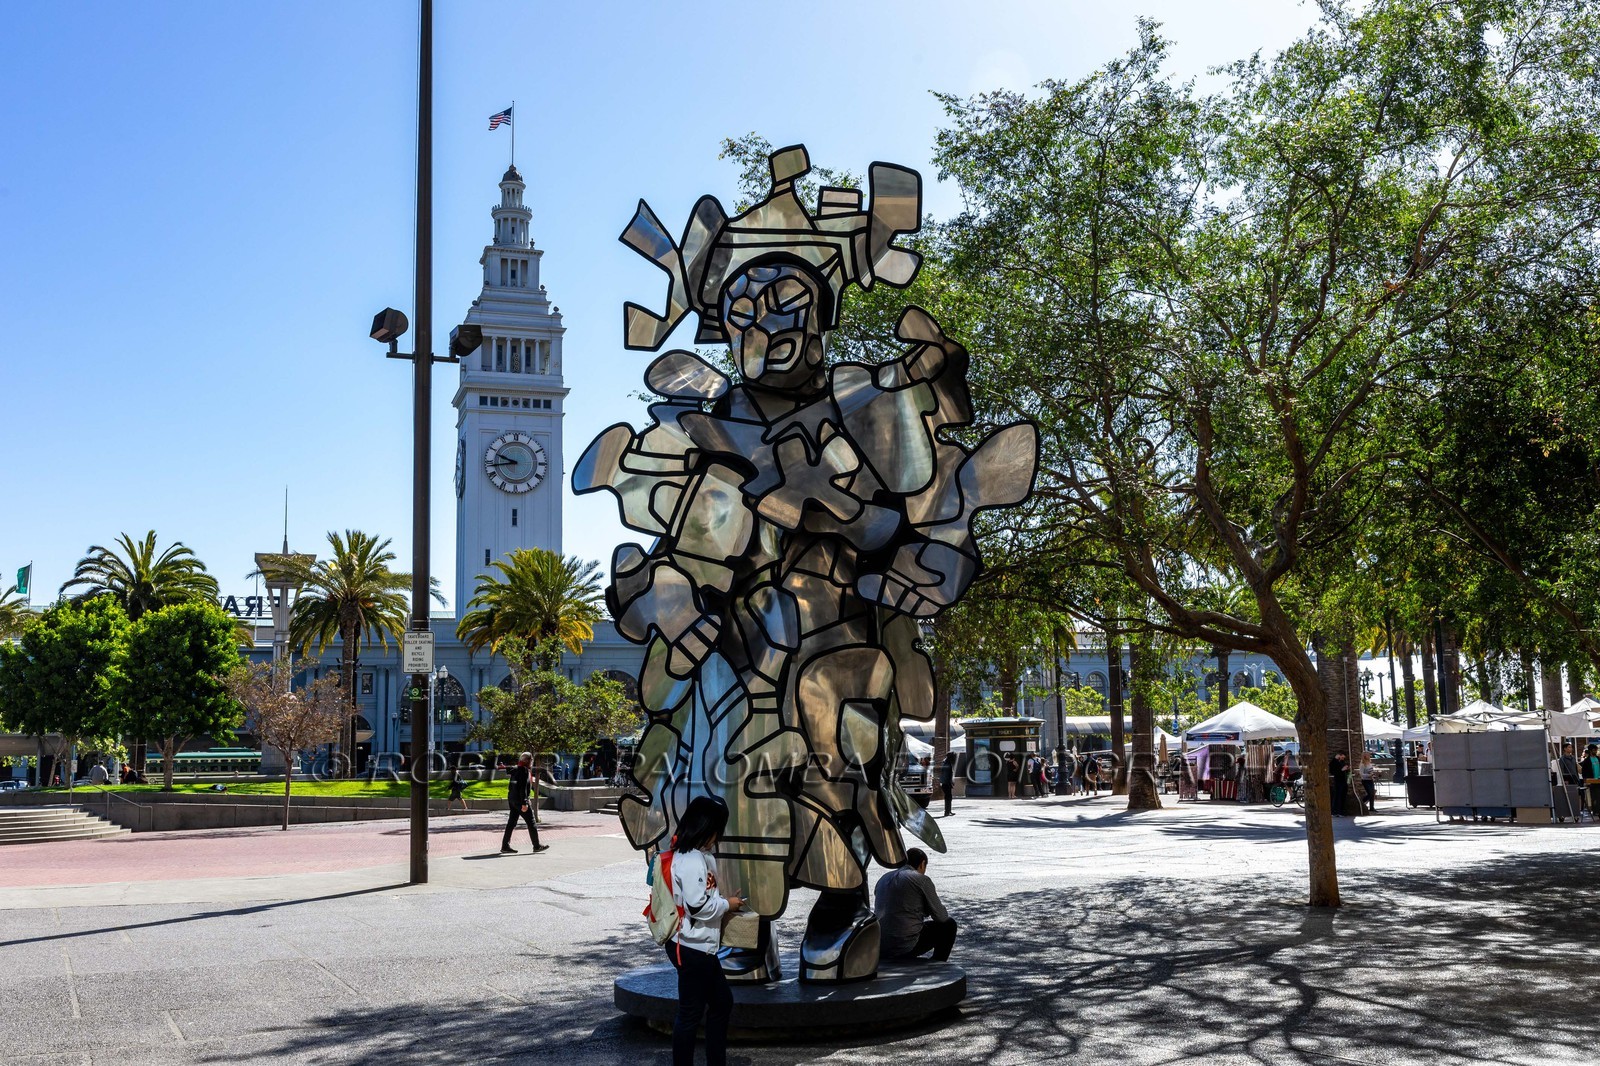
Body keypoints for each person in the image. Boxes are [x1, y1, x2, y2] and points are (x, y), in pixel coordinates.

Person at [666, 795, 743, 1066]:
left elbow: (702, 898)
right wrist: (726, 904)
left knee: (720, 1003)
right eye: (717, 830)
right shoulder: (692, 859)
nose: (717, 837)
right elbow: (698, 906)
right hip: (692, 946)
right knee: (692, 1013)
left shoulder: (693, 855)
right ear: (707, 828)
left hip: (694, 945)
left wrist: (724, 903)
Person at [873, 846, 956, 962]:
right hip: (905, 946)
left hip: (881, 945)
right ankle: (938, 962)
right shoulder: (921, 879)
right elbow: (941, 916)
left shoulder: (883, 878)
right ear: (922, 864)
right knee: (949, 925)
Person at [501, 753, 548, 854]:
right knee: (531, 822)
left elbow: (512, 786)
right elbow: (523, 788)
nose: (532, 762)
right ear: (527, 760)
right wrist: (525, 802)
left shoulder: (516, 769)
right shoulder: (524, 771)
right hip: (520, 801)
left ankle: (505, 846)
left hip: (512, 799)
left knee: (511, 823)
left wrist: (514, 799)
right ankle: (536, 846)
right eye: (531, 760)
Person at [1582, 744, 1600, 817]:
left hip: (1599, 780)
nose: (1595, 751)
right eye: (1594, 750)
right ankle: (1596, 811)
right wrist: (1587, 781)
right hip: (1592, 781)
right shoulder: (1587, 761)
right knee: (1595, 797)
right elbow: (1584, 772)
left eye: (1596, 750)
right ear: (1590, 751)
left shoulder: (1598, 759)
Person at [937, 752, 955, 817]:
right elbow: (946, 775)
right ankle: (947, 811)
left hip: (946, 783)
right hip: (946, 783)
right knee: (948, 798)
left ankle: (948, 811)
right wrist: (949, 783)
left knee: (949, 797)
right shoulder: (947, 764)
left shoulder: (947, 762)